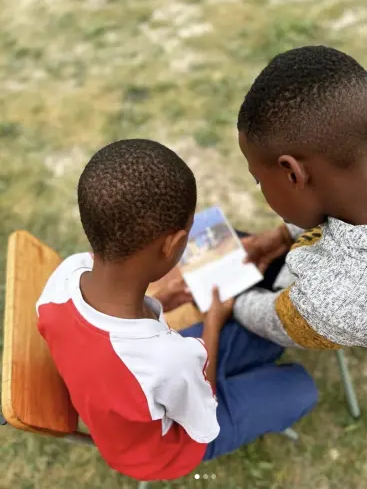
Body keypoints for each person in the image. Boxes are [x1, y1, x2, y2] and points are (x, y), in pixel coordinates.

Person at [36, 139, 317, 482]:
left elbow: (125, 351)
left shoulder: (65, 276)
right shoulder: (168, 359)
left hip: (132, 396)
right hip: (170, 448)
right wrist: (212, 325)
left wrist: (160, 300)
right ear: (171, 246)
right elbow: (203, 421)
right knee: (302, 387)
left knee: (268, 339)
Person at [234, 45, 367, 350]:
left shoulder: (345, 301)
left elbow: (276, 320)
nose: (259, 187)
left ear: (292, 173)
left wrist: (234, 301)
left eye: (258, 179)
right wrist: (281, 235)